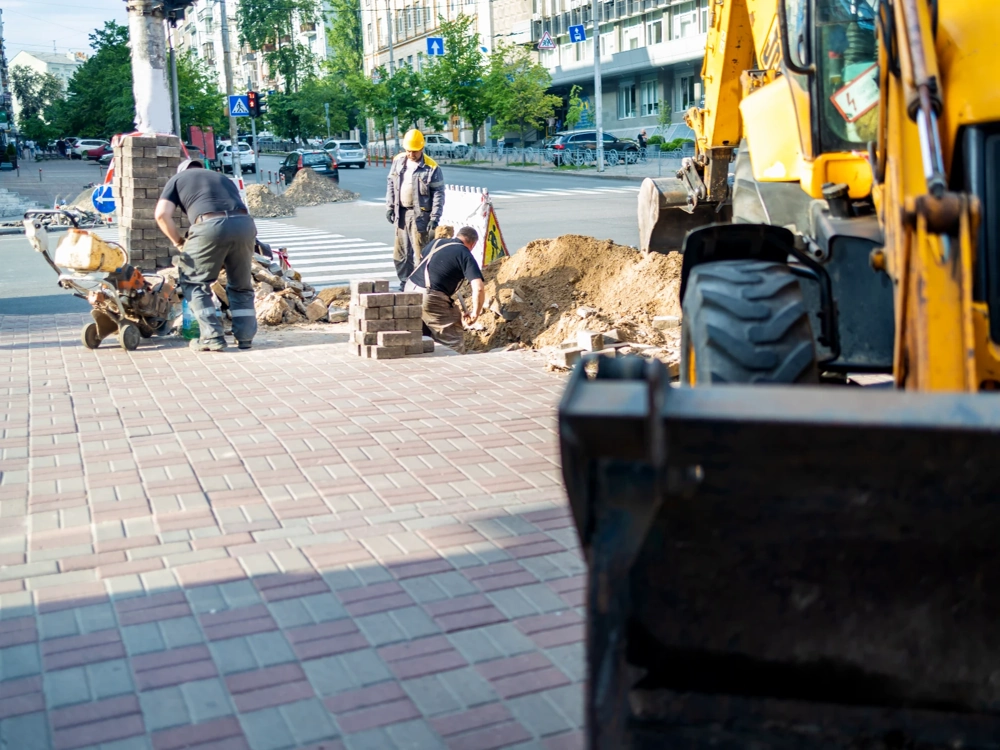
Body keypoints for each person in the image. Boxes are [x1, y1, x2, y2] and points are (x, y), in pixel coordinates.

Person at [154, 158, 258, 352]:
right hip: (244, 225)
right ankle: (245, 337)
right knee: (241, 285)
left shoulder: (177, 179)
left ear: (182, 171)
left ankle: (212, 337)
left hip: (209, 225)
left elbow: (161, 215)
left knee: (193, 282)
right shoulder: (221, 177)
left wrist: (178, 242)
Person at [405, 226, 485, 354]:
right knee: (451, 339)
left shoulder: (436, 242)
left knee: (422, 334)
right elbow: (479, 288)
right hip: (430, 296)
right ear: (473, 244)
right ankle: (453, 363)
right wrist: (475, 313)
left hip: (410, 289)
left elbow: (423, 257)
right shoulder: (464, 253)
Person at [386, 128, 445, 291]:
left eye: (414, 151)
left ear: (422, 149)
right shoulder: (398, 161)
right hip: (401, 212)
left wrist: (435, 217)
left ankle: (419, 285)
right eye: (408, 151)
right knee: (401, 254)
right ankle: (405, 281)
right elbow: (391, 184)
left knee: (421, 253)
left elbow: (438, 194)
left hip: (421, 215)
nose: (411, 154)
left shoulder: (431, 167)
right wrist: (390, 206)